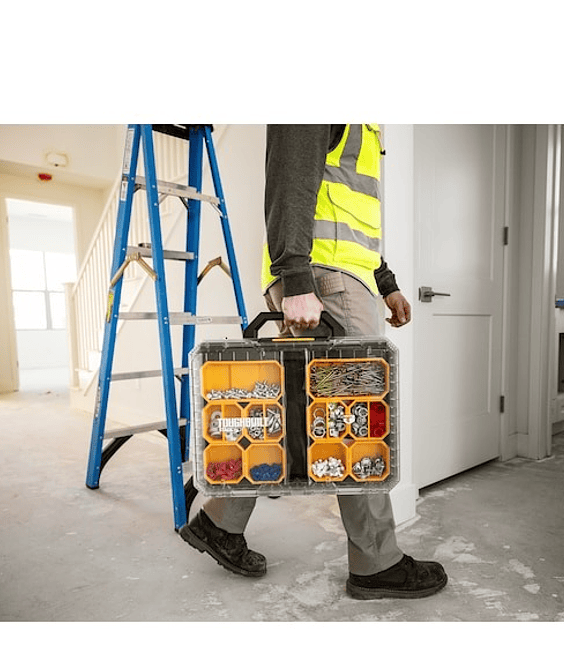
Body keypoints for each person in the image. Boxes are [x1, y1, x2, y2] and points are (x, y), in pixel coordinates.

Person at [180, 124, 447, 599]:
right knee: (358, 423)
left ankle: (220, 521)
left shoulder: (365, 123)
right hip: (325, 281)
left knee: (294, 412)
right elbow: (290, 180)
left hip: (334, 277)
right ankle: (377, 563)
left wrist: (385, 282)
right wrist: (298, 279)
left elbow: (352, 213)